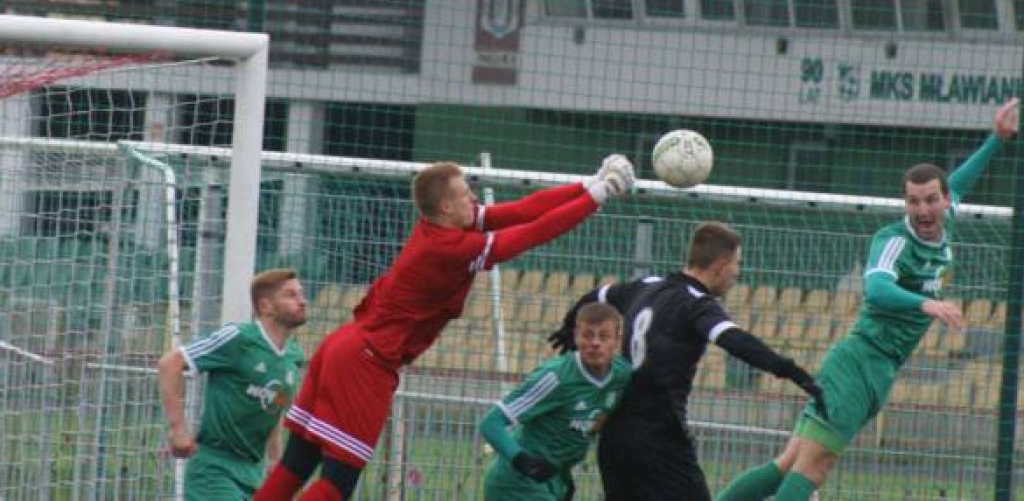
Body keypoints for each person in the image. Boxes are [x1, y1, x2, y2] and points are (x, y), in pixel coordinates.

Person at [255, 155, 636, 501]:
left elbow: (522, 210)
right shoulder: (448, 247)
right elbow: (529, 234)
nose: (473, 198)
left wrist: (588, 184)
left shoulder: (446, 227)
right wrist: (599, 195)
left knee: (297, 463)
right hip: (366, 359)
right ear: (445, 206)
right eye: (465, 193)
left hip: (344, 345)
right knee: (338, 481)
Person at [715, 97, 1019, 501]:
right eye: (913, 201)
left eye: (931, 199)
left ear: (944, 201)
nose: (922, 209)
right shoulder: (894, 240)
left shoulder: (947, 214)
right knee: (814, 466)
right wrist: (924, 303)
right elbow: (876, 288)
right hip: (860, 361)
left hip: (878, 368)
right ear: (905, 203)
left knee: (787, 464)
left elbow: (960, 181)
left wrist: (995, 140)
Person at [548, 221, 825, 501]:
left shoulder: (647, 286)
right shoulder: (697, 304)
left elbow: (595, 296)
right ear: (720, 264)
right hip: (660, 436)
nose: (737, 273)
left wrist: (568, 327)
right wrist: (791, 371)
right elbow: (736, 341)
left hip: (617, 435)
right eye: (736, 264)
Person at [158, 268, 307, 501]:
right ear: (266, 306)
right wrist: (178, 429)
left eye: (301, 294)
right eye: (291, 295)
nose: (302, 301)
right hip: (214, 471)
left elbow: (273, 405)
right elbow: (171, 363)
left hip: (252, 474)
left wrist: (275, 462)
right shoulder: (238, 339)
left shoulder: (293, 357)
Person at [479, 302, 632, 501]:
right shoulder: (556, 377)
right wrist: (523, 461)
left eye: (603, 336)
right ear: (576, 335)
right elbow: (491, 423)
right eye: (588, 335)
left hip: (554, 480)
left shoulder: (622, 376)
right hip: (517, 484)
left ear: (617, 340)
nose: (595, 343)